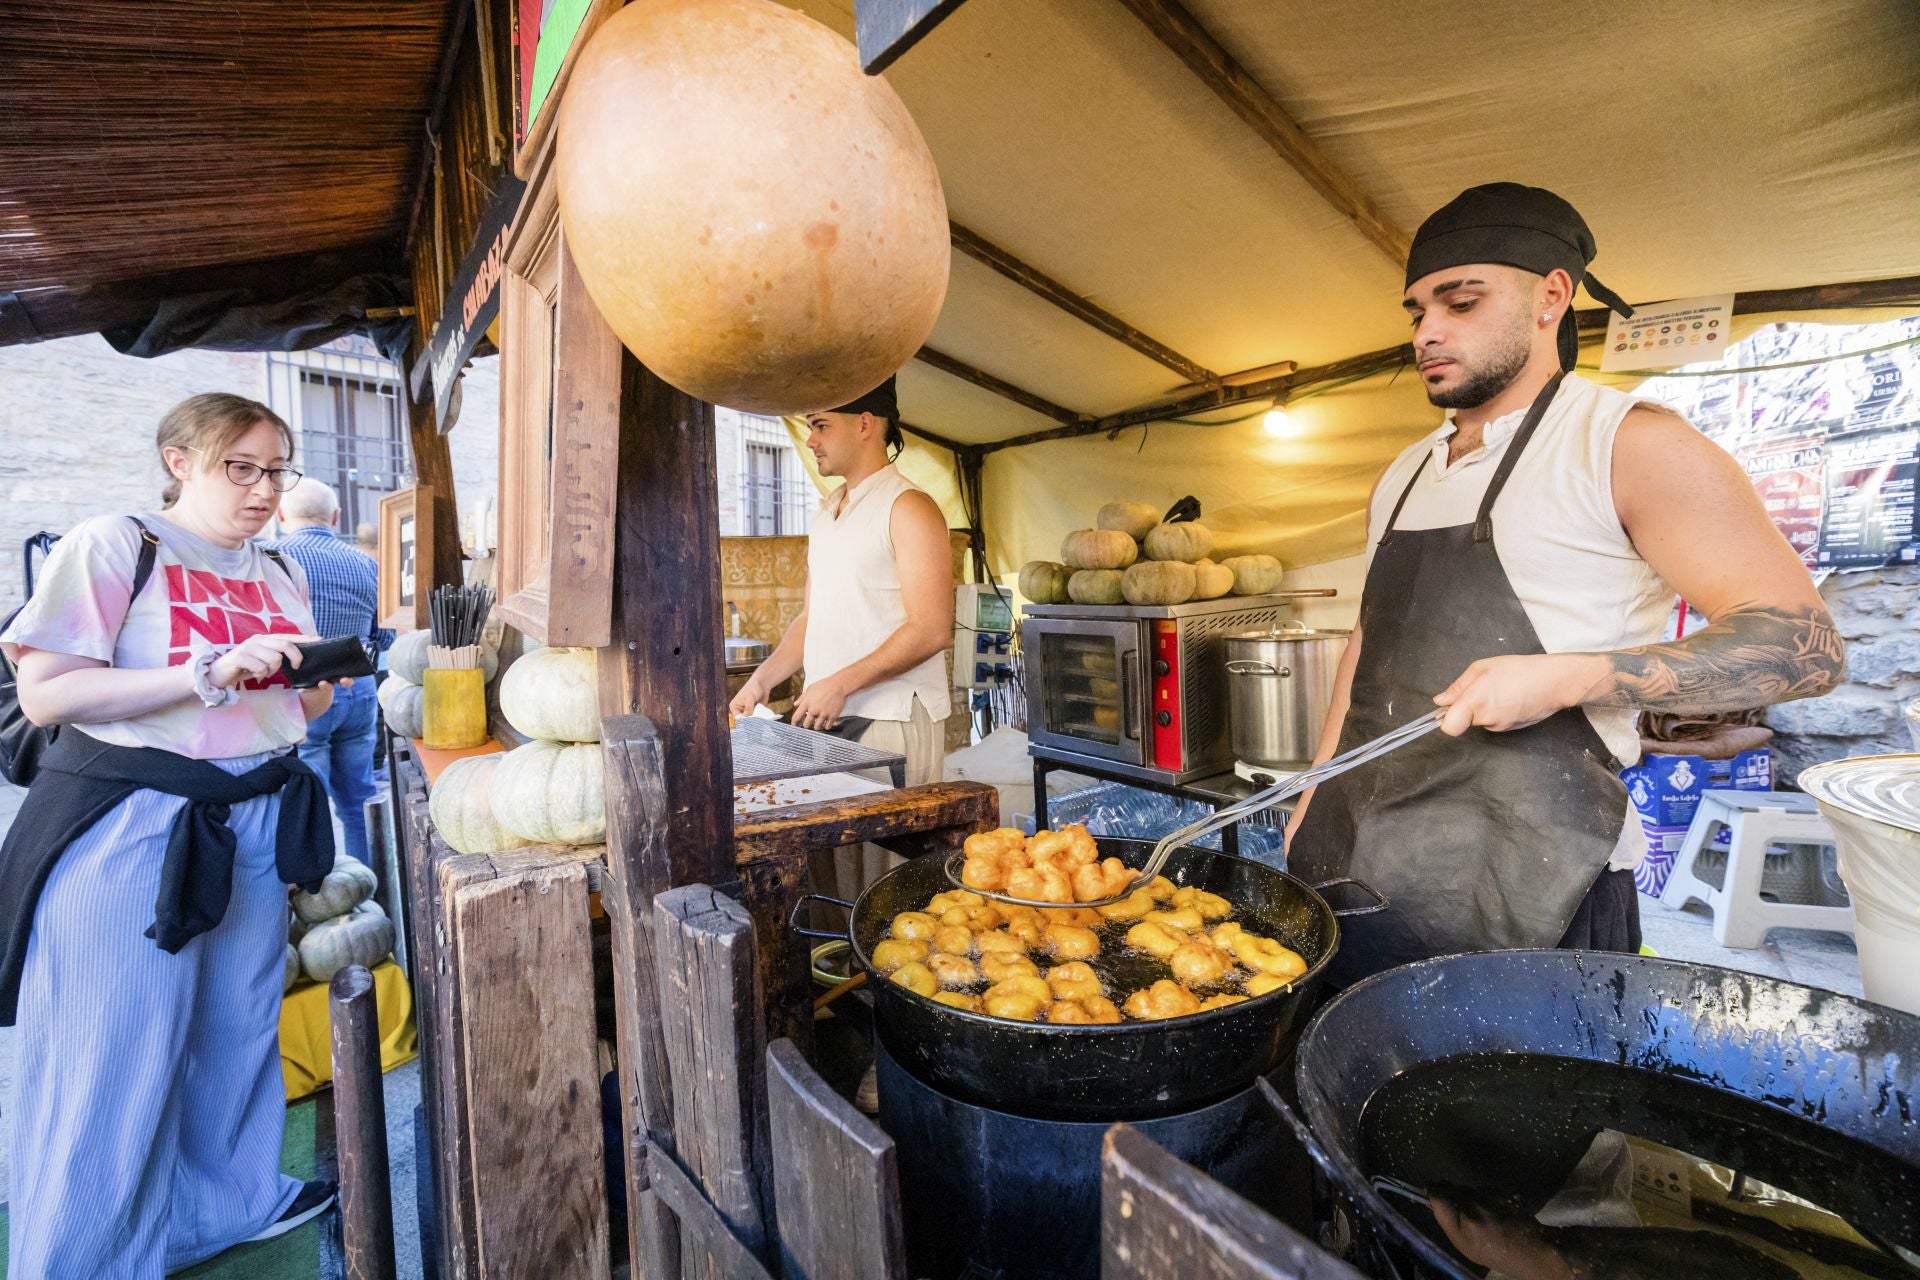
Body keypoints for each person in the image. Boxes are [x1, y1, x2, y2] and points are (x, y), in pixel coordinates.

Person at [1284, 183, 1843, 987]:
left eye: (1461, 301)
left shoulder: (1627, 444)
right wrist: (1313, 794)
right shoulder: (1403, 474)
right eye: (1417, 312)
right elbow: (1369, 645)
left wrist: (1574, 676)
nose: (1428, 331)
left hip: (1538, 882)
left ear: (1552, 296)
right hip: (1356, 856)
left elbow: (1807, 646)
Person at [0, 393, 346, 1277]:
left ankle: (221, 1211)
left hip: (258, 816)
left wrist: (309, 680)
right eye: (244, 466)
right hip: (136, 821)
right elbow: (51, 695)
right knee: (112, 1050)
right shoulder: (117, 543)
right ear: (179, 460)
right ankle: (82, 1260)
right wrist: (208, 672)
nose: (266, 489)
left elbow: (302, 707)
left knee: (233, 1032)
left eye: (278, 469)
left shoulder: (280, 570)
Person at [729, 375, 954, 884]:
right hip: (828, 722)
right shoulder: (826, 512)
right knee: (830, 875)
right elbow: (812, 619)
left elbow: (932, 628)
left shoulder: (909, 508)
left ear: (866, 425)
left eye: (821, 425)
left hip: (890, 720)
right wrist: (762, 680)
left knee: (883, 882)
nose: (811, 440)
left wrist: (841, 682)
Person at [271, 478, 393, 867]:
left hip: (302, 695)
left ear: (280, 514)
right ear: (336, 516)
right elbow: (383, 635)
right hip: (358, 691)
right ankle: (369, 889)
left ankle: (319, 893)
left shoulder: (267, 557)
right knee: (359, 800)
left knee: (309, 803)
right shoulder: (365, 563)